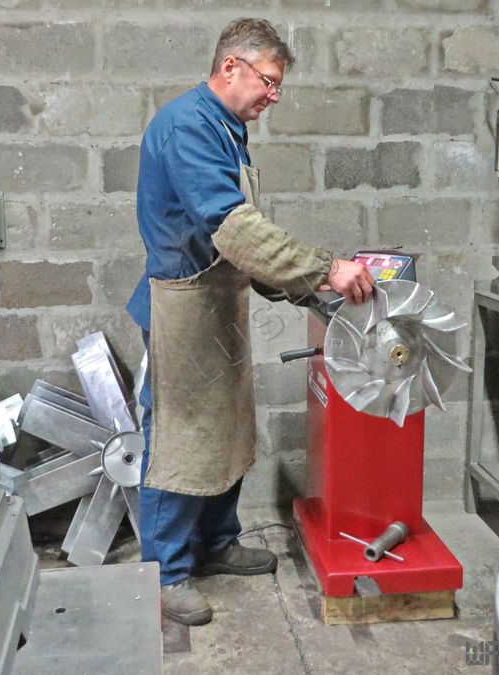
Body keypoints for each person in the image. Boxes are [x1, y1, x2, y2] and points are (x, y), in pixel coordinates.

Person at [126, 18, 375, 626]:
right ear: (230, 67)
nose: (274, 95)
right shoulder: (188, 126)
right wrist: (323, 268)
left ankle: (216, 542)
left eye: (278, 85)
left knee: (227, 424)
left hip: (218, 298)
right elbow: (233, 227)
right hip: (182, 304)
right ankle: (165, 573)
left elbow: (240, 239)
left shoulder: (225, 126)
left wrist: (305, 286)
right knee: (182, 435)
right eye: (268, 81)